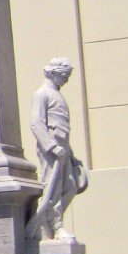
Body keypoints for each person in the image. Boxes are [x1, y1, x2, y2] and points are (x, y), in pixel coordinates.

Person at [28, 57, 88, 241]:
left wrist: (70, 154)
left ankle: (52, 221)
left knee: (70, 185)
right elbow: (37, 124)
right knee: (52, 188)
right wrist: (51, 146)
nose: (66, 80)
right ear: (52, 73)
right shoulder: (42, 94)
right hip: (51, 149)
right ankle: (54, 225)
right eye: (64, 75)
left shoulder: (56, 94)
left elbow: (62, 127)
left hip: (63, 149)